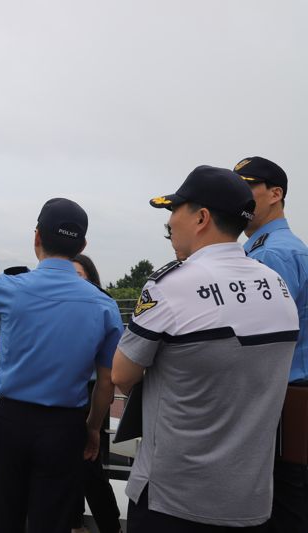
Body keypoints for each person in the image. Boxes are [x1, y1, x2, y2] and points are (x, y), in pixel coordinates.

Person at [111, 165, 299, 532]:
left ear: (201, 218)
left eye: (172, 215)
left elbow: (121, 375)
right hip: (252, 502)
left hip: (173, 501)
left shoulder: (170, 286)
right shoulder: (276, 286)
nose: (169, 227)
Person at [0, 198, 124, 533]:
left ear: (37, 237)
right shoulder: (104, 306)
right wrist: (92, 427)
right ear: (82, 245)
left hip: (12, 420)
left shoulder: (10, 288)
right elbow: (108, 381)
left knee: (7, 515)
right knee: (52, 521)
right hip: (65, 426)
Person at [234, 156, 308, 533]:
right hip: (283, 402)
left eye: (246, 187)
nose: (237, 196)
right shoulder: (274, 249)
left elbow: (254, 344)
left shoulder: (270, 256)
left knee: (277, 512)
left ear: (276, 194)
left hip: (277, 403)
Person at [71, 254, 123, 533]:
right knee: (70, 463)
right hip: (67, 391)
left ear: (91, 279)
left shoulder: (102, 307)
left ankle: (109, 525)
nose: (73, 282)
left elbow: (109, 371)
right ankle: (75, 521)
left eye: (79, 276)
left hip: (94, 391)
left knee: (90, 464)